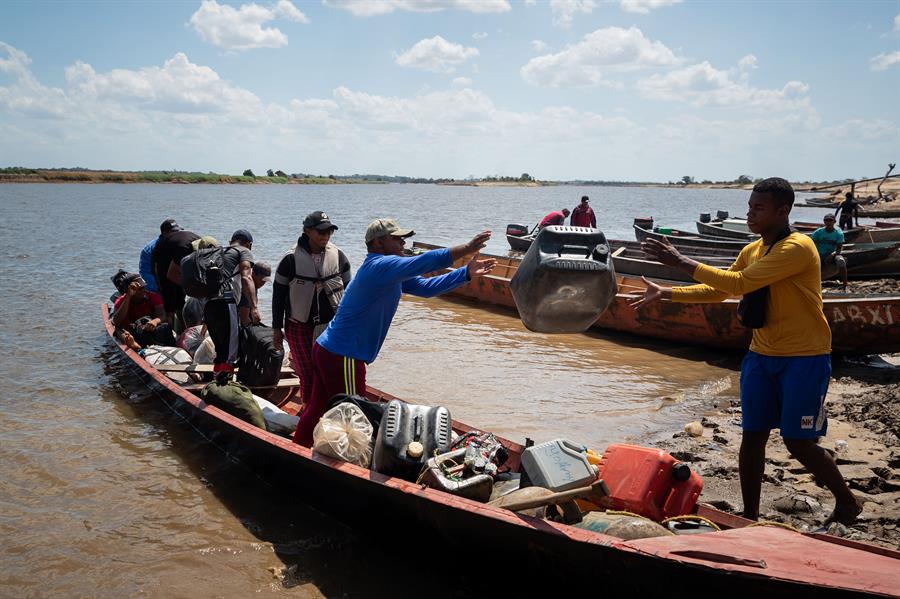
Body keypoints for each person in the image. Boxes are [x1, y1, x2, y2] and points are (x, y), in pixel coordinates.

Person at [631, 177, 861, 525]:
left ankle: (847, 502)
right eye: (750, 206)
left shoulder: (797, 247)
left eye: (758, 208)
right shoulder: (753, 249)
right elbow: (721, 289)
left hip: (805, 357)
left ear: (782, 211)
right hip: (761, 355)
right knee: (752, 436)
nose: (750, 213)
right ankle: (750, 515)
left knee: (798, 441)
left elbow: (740, 283)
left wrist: (680, 260)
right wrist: (667, 292)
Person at [292, 220, 496, 446]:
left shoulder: (388, 272)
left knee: (318, 407)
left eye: (403, 237)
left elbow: (426, 288)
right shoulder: (381, 265)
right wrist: (467, 248)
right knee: (355, 415)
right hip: (344, 355)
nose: (403, 242)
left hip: (329, 349)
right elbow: (424, 261)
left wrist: (464, 273)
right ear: (378, 243)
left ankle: (296, 449)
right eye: (396, 238)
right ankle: (348, 466)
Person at [272, 211, 352, 405]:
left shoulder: (339, 256)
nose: (325, 236)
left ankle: (327, 409)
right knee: (307, 373)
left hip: (330, 325)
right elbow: (278, 296)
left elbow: (350, 291)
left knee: (327, 371)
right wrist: (276, 329)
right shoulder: (290, 260)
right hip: (298, 325)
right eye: (320, 232)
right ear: (307, 231)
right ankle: (309, 411)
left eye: (329, 232)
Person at [194, 234, 255, 373]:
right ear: (248, 244)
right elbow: (246, 276)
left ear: (230, 242)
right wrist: (255, 307)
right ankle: (225, 387)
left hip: (209, 305)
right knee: (230, 353)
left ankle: (217, 383)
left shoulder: (218, 253)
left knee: (220, 351)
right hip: (227, 303)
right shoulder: (243, 251)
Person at [151, 219, 200, 331]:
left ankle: (184, 331)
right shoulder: (182, 246)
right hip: (162, 265)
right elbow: (170, 275)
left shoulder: (200, 244)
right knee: (170, 303)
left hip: (178, 264)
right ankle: (169, 334)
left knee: (180, 301)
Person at [110, 270, 176, 348]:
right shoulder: (121, 301)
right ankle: (134, 345)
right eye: (139, 289)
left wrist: (154, 321)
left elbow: (162, 314)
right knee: (118, 329)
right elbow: (116, 322)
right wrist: (128, 297)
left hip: (148, 327)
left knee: (167, 322)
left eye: (143, 287)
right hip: (131, 330)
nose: (143, 291)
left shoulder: (153, 297)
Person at [811, 213, 848, 291]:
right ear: (824, 222)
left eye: (830, 220)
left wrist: (832, 255)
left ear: (834, 221)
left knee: (841, 261)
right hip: (819, 253)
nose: (828, 222)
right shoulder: (818, 232)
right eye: (826, 220)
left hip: (833, 254)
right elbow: (811, 244)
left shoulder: (838, 233)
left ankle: (845, 285)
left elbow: (839, 249)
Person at [239, 261, 272, 326]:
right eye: (262, 280)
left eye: (265, 281)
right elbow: (244, 320)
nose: (263, 283)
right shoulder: (247, 290)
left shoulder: (255, 287)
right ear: (253, 273)